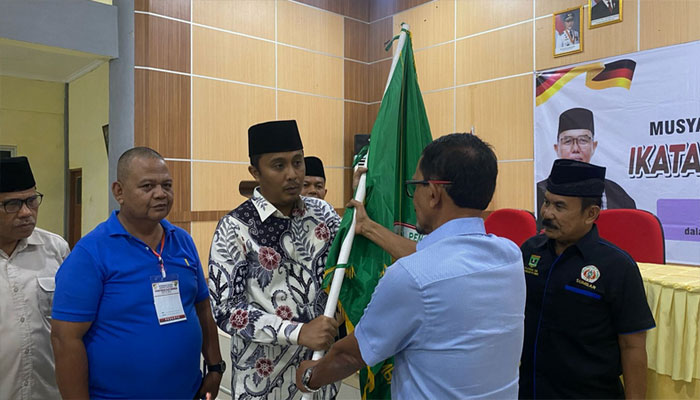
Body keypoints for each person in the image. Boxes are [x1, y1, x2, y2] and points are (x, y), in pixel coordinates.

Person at [295, 133, 527, 398]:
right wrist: (368, 227)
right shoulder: (510, 256)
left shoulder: (411, 277)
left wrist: (310, 376)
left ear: (433, 194)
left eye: (415, 185)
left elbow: (349, 356)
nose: (413, 196)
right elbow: (434, 259)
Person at [51, 147, 223, 399]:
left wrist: (215, 367)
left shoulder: (182, 241)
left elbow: (202, 307)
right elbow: (65, 340)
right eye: (147, 186)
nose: (161, 194)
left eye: (167, 185)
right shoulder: (91, 253)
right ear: (119, 192)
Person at [208, 120, 341, 399]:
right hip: (262, 383)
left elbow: (350, 267)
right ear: (255, 172)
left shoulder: (323, 214)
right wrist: (297, 332)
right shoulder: (235, 228)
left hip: (319, 378)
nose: (293, 174)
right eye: (279, 166)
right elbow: (226, 310)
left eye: (297, 162)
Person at [520, 159, 655, 399]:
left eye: (559, 206)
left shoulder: (617, 266)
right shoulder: (530, 251)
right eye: (546, 202)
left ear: (591, 214)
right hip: (531, 391)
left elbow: (632, 346)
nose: (547, 213)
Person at [0, 156, 69, 400]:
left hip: (47, 391)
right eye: (12, 204)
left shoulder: (55, 249)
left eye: (31, 200)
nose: (26, 212)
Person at [537, 107, 636, 219]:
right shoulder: (538, 193)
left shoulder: (617, 195)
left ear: (593, 146)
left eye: (583, 140)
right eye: (568, 141)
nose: (575, 148)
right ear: (557, 148)